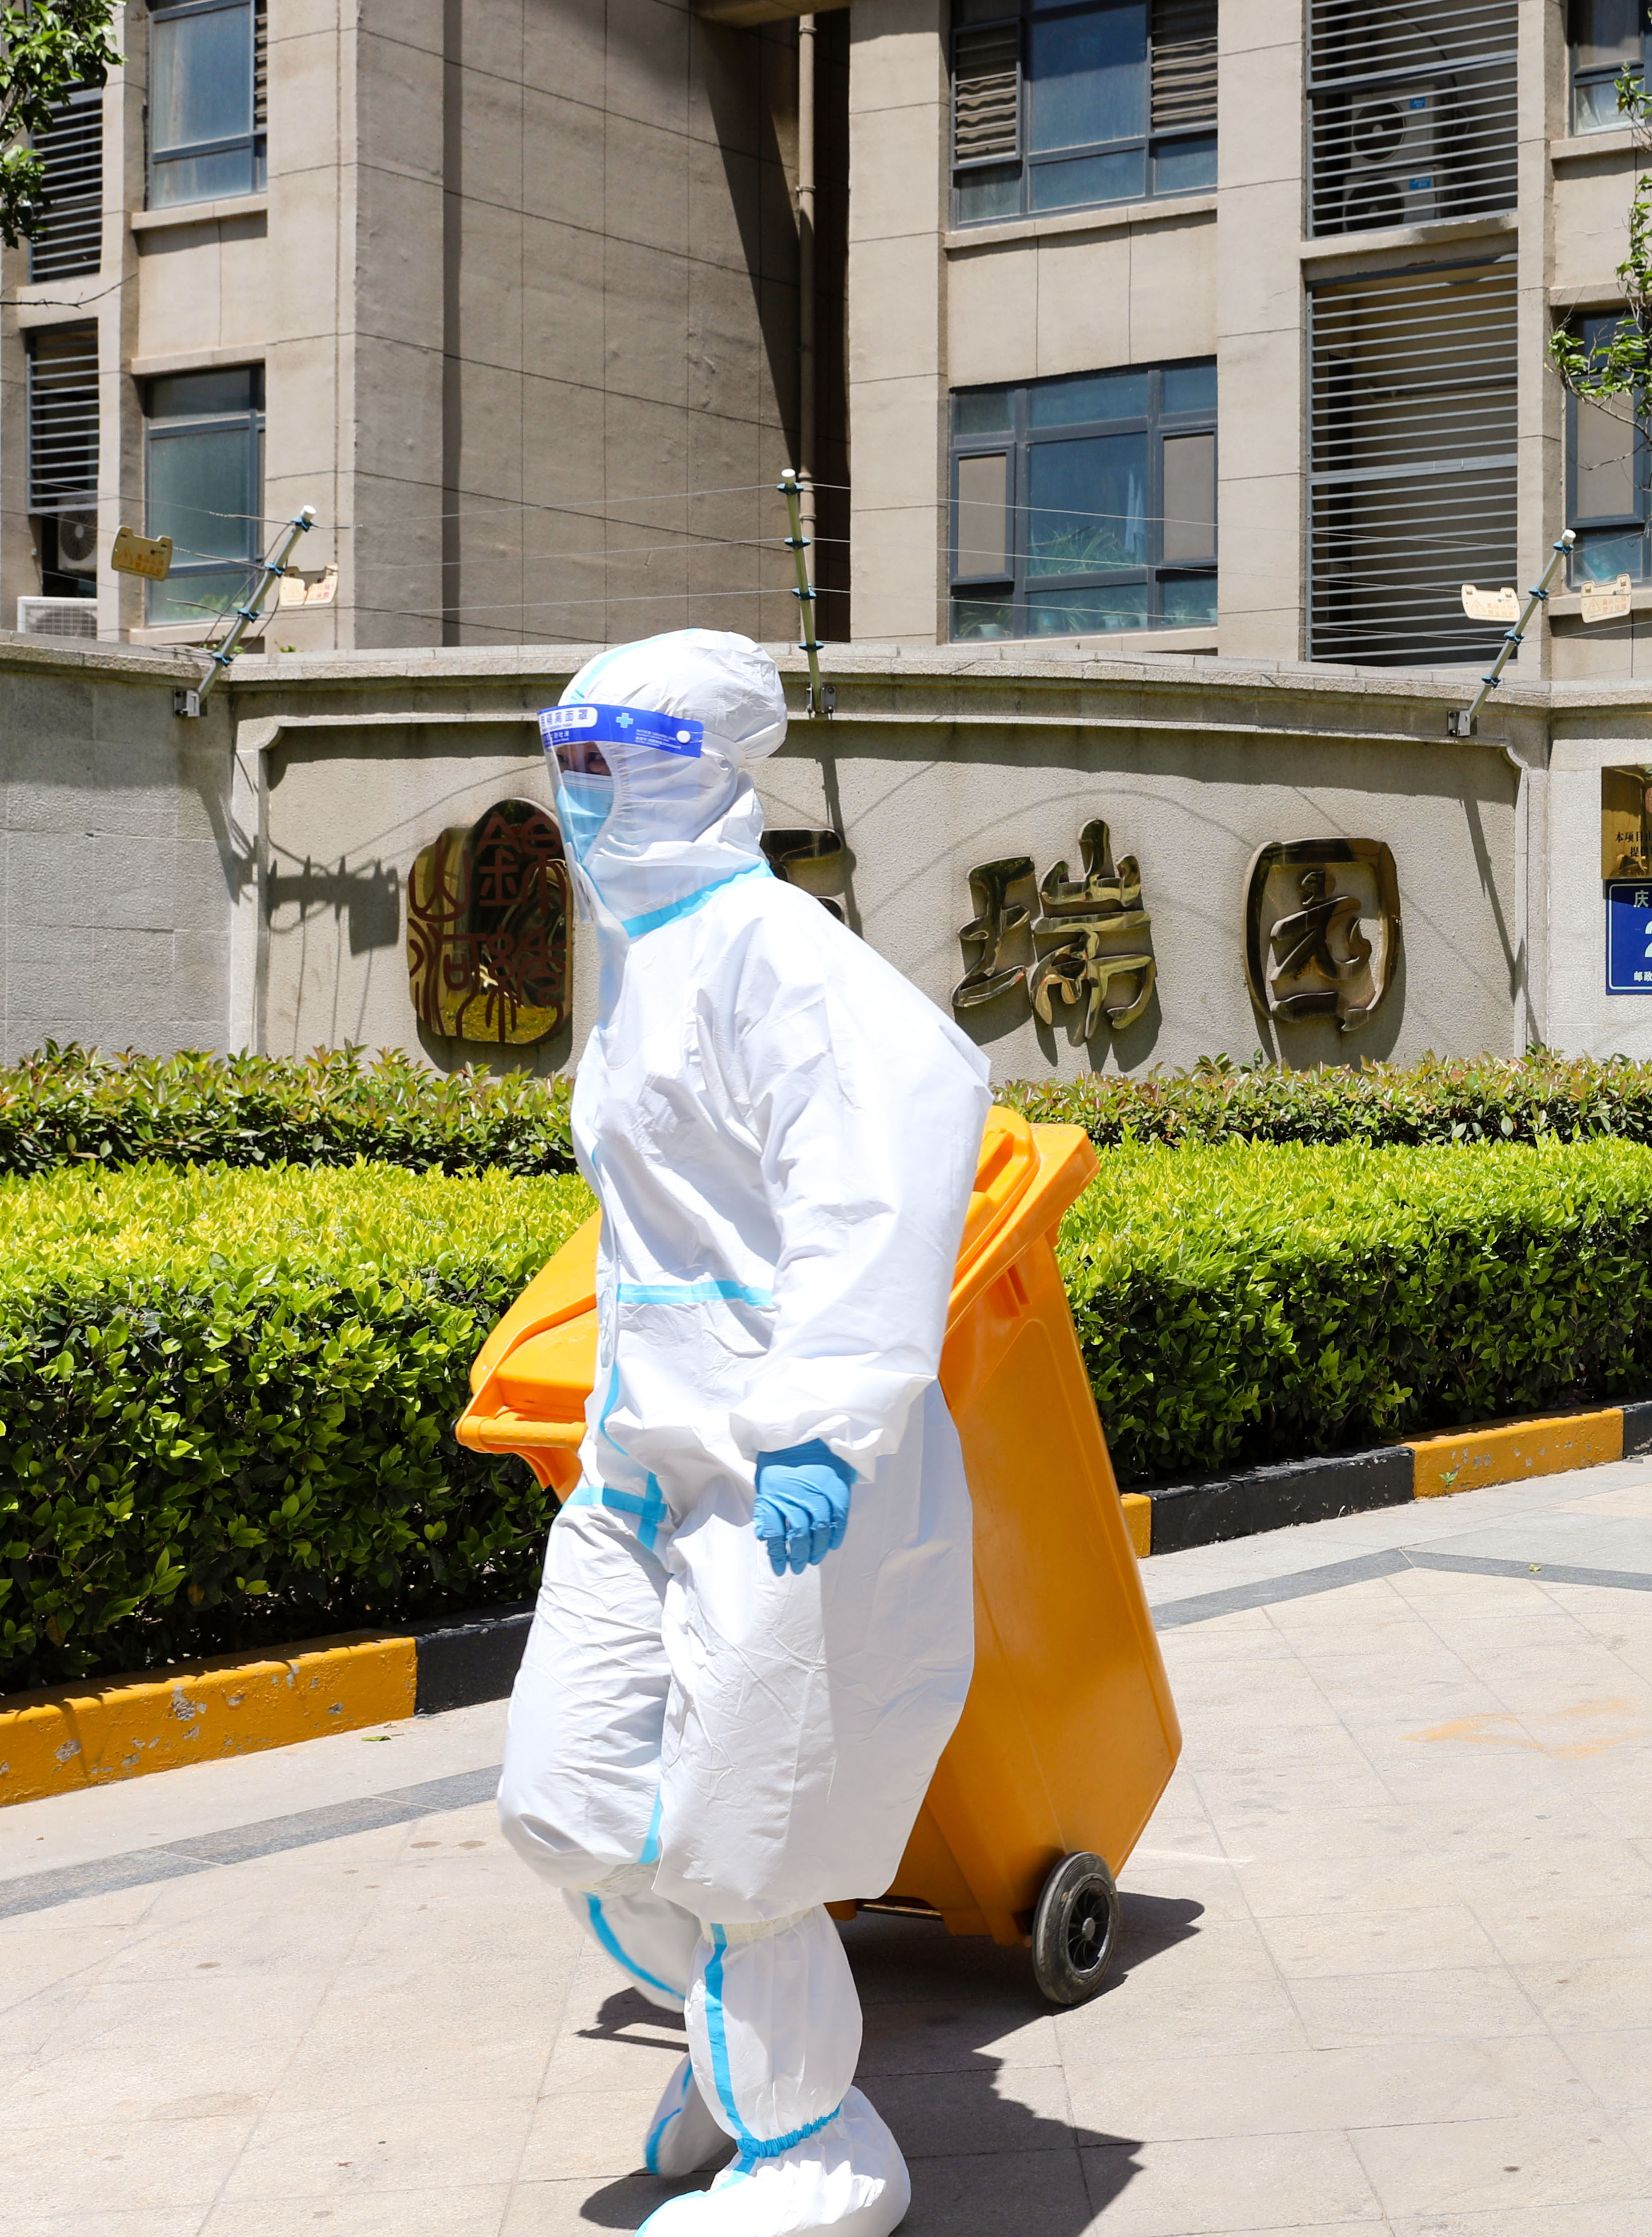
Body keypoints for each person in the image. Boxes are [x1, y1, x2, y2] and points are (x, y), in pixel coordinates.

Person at [495, 631, 991, 2237]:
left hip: (782, 1463)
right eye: (568, 759)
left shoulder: (780, 952)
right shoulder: (648, 960)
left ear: (708, 771)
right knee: (569, 1796)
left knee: (743, 1832)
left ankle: (822, 2144)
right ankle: (744, 2055)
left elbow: (887, 1154)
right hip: (645, 1456)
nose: (583, 793)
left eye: (615, 760)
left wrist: (823, 1424)